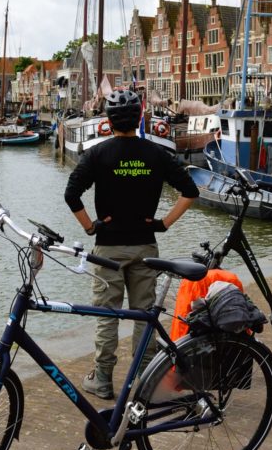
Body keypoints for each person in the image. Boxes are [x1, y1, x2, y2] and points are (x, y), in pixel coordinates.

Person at [64, 89, 200, 400]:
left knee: (107, 316)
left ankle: (102, 378)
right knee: (144, 314)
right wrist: (163, 223)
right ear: (139, 118)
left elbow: (71, 195)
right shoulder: (156, 154)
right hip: (145, 247)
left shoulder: (98, 154)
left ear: (109, 121)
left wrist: (90, 226)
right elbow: (190, 191)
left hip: (108, 249)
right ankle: (145, 378)